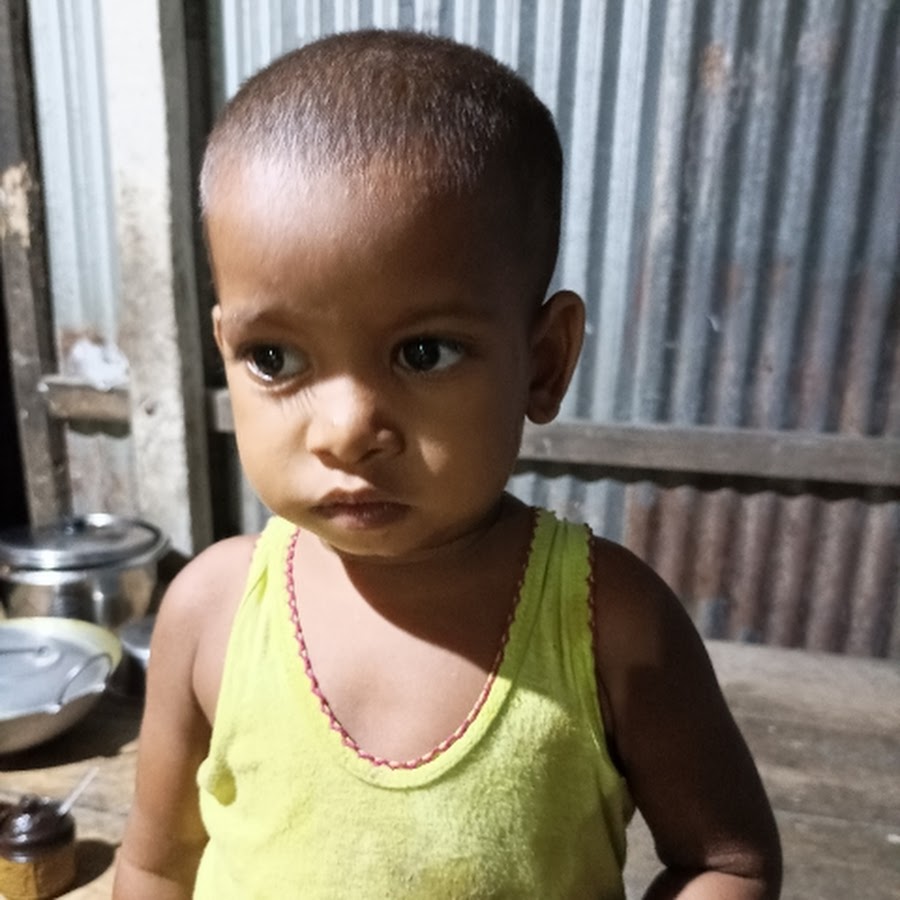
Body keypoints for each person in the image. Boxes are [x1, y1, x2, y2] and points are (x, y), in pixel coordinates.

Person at [113, 29, 781, 899]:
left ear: (543, 362)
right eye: (274, 358)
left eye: (423, 353)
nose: (346, 432)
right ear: (224, 349)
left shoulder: (604, 625)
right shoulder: (212, 614)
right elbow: (155, 864)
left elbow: (726, 861)